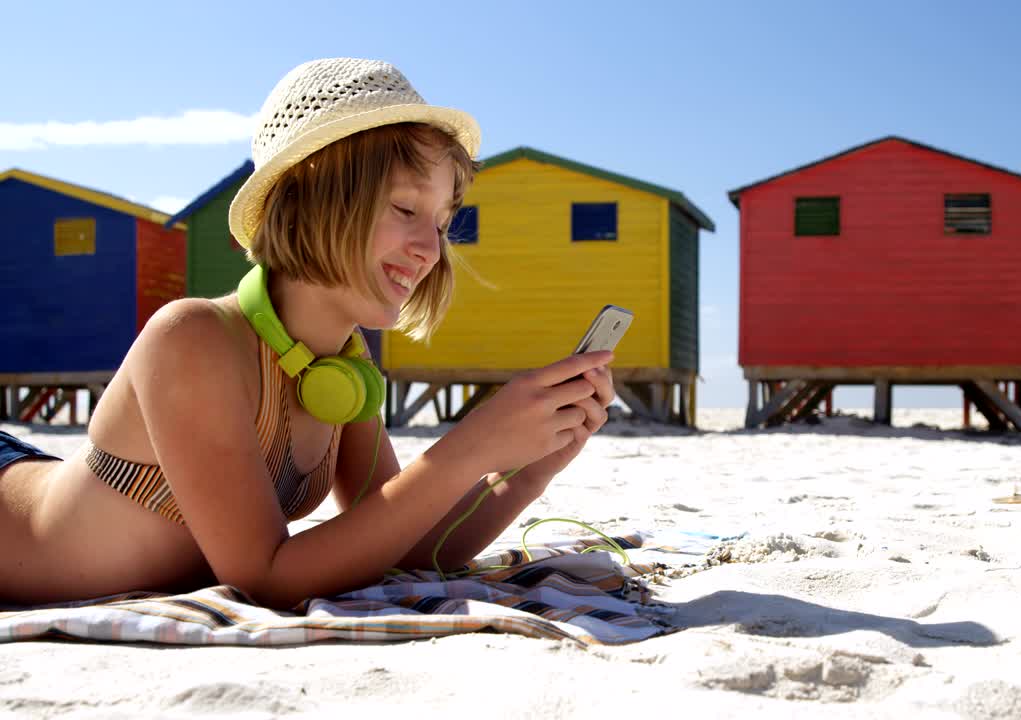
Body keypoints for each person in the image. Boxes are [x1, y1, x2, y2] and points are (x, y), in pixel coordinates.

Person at [0, 58, 615, 609]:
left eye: (443, 222)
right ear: (311, 198)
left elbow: (408, 545)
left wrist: (528, 471)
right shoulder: (193, 338)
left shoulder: (341, 372)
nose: (431, 248)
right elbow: (267, 578)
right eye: (406, 210)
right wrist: (468, 446)